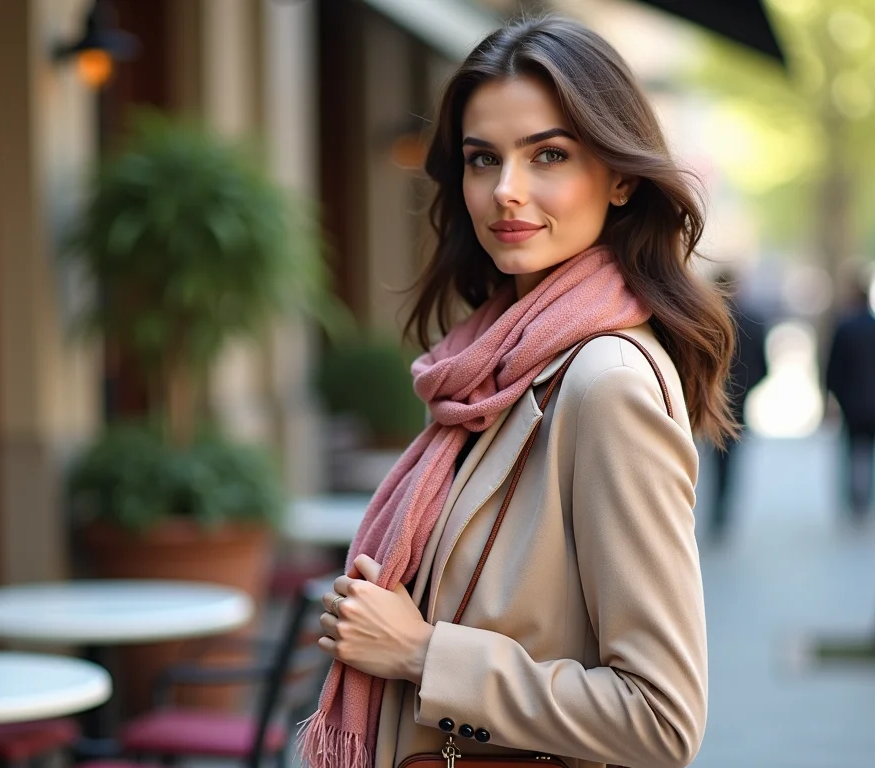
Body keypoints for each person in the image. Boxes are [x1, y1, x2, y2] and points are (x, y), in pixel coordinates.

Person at [300, 17, 736, 768]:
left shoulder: (605, 384)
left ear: (621, 178)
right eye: (483, 159)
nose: (506, 190)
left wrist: (420, 652)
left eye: (549, 155)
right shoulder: (493, 367)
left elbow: (661, 722)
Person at [825, 282, 875, 519]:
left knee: (856, 453)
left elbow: (833, 370)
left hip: (852, 403)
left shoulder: (845, 330)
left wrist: (829, 399)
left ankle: (858, 501)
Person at [710, 268, 769, 540]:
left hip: (709, 400)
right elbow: (764, 367)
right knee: (731, 457)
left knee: (711, 458)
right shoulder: (753, 321)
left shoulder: (705, 318)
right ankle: (723, 511)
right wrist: (745, 389)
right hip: (738, 402)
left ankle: (715, 509)